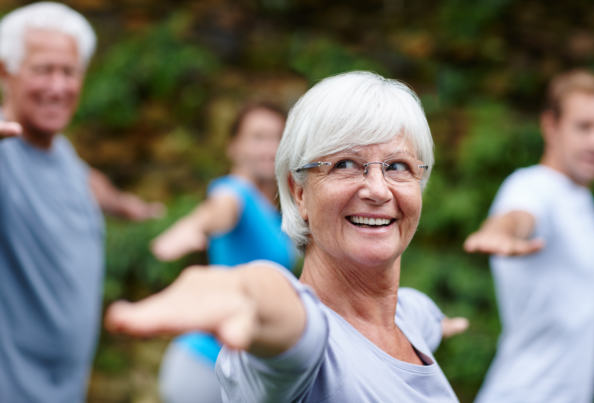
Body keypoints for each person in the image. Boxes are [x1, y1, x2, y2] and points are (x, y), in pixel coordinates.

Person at [105, 71, 469, 402]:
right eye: (344, 164)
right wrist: (241, 291)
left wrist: (438, 324)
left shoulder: (409, 316)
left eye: (397, 166)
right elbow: (289, 311)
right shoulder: (311, 344)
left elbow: (413, 311)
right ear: (299, 192)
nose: (377, 189)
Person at [0, 3, 163, 402]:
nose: (58, 87)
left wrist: (125, 204)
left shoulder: (65, 155)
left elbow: (90, 181)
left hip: (65, 389)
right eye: (43, 69)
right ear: (5, 71)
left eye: (69, 72)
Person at [464, 69, 594, 403]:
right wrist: (500, 232)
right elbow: (517, 215)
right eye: (583, 127)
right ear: (550, 126)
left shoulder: (580, 199)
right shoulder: (532, 185)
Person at [152, 103, 297, 403]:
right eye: (257, 137)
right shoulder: (235, 190)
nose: (269, 147)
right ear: (233, 146)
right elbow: (220, 208)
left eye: (277, 137)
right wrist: (193, 225)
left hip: (245, 365)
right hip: (206, 362)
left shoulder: (272, 212)